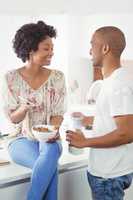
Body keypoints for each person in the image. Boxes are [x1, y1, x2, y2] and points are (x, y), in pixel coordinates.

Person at [2, 21, 66, 200]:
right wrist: (23, 108)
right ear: (31, 49)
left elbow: (58, 113)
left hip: (49, 138)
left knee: (50, 153)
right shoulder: (11, 78)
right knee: (49, 167)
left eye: (52, 48)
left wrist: (52, 130)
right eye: (46, 48)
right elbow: (13, 119)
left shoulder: (58, 77)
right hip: (20, 139)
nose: (51, 52)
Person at [66, 26, 133, 200]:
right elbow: (114, 119)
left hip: (108, 175)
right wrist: (88, 119)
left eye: (92, 44)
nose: (90, 50)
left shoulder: (118, 85)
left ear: (105, 48)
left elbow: (126, 133)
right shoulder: (112, 81)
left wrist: (85, 142)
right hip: (107, 171)